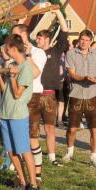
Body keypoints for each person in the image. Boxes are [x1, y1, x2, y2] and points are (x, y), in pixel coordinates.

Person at [0, 35, 40, 190]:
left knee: (24, 150)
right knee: (11, 151)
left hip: (18, 115)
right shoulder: (13, 66)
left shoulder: (25, 68)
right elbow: (7, 91)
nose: (5, 50)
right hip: (6, 113)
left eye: (6, 48)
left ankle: (34, 185)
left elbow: (17, 94)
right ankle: (22, 182)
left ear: (13, 49)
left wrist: (12, 77)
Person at [63, 29, 96, 166]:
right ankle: (69, 152)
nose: (84, 42)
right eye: (82, 39)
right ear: (79, 39)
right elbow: (71, 74)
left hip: (92, 95)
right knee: (72, 128)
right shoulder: (71, 53)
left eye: (87, 40)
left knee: (94, 128)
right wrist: (84, 78)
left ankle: (94, 156)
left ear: (91, 41)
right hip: (76, 94)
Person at [34, 9, 70, 166]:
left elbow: (64, 30)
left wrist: (58, 12)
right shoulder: (33, 53)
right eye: (36, 38)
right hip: (34, 94)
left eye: (39, 38)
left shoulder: (55, 51)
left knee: (50, 128)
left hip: (49, 95)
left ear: (47, 39)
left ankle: (52, 157)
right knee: (33, 129)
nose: (37, 41)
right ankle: (33, 155)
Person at [10, 23, 46, 182]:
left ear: (24, 35)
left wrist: (28, 55)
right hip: (17, 95)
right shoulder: (14, 51)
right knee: (17, 135)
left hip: (32, 95)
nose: (12, 37)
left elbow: (35, 73)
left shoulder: (38, 52)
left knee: (32, 137)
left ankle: (37, 174)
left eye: (15, 34)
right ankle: (20, 173)